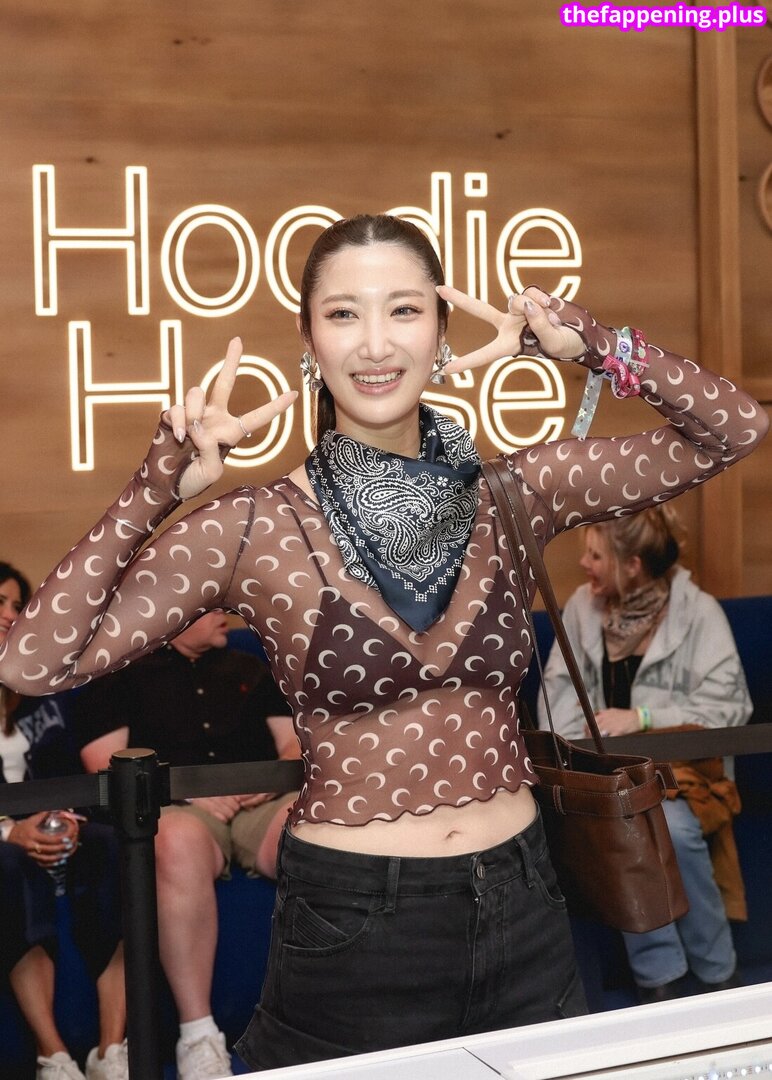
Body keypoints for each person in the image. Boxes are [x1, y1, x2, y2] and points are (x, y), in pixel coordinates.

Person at [0, 213, 767, 1070]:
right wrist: (158, 481)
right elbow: (32, 660)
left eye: (404, 309)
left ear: (442, 333)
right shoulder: (254, 528)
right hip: (355, 926)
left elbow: (733, 427)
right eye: (343, 314)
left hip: (525, 901)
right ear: (309, 342)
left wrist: (588, 342)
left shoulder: (515, 493)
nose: (375, 343)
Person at [538, 507, 752, 1003]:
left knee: (673, 829)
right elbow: (556, 699)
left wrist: (644, 718)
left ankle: (718, 974)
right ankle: (660, 979)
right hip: (609, 778)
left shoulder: (698, 612)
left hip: (686, 775)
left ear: (632, 565)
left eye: (596, 556)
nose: (584, 564)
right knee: (628, 823)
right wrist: (590, 754)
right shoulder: (581, 608)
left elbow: (730, 707)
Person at [76, 610, 297, 1080]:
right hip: (181, 808)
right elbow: (102, 761)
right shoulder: (123, 672)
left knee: (311, 828)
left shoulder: (252, 667)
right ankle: (198, 1036)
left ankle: (318, 1017)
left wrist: (267, 781)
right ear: (179, 612)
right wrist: (185, 791)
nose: (227, 615)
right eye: (214, 606)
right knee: (174, 839)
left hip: (259, 801)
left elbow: (294, 746)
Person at [0, 562, 127, 1080]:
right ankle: (52, 1055)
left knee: (114, 847)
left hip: (48, 827)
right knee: (10, 865)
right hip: (7, 847)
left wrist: (69, 818)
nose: (9, 615)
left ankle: (110, 1051)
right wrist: (11, 831)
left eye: (16, 606)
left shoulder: (39, 689)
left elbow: (66, 776)